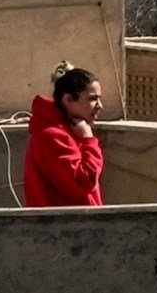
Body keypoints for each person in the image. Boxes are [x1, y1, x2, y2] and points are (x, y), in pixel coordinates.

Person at [21, 65, 105, 208]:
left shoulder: (69, 130)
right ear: (68, 99)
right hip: (66, 227)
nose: (100, 106)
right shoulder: (53, 136)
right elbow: (85, 181)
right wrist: (88, 139)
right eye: (92, 99)